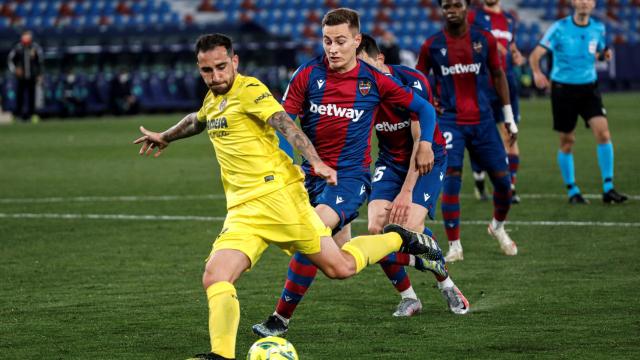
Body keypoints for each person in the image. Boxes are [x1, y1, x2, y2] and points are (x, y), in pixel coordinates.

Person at [133, 33, 441, 360]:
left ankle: (399, 238)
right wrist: (165, 136)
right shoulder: (213, 99)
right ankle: (220, 355)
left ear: (235, 62)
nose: (216, 77)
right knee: (215, 275)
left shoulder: (250, 91)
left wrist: (316, 161)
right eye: (207, 71)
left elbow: (286, 124)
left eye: (222, 67)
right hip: (243, 210)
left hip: (281, 201)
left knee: (341, 268)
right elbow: (197, 120)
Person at [252, 8, 442, 337]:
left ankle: (279, 320)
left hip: (350, 180)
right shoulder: (307, 74)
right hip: (309, 179)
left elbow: (423, 108)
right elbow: (284, 125)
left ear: (357, 41)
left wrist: (424, 143)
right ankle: (411, 246)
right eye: (327, 41)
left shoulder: (374, 80)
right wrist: (289, 161)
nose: (333, 48)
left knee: (309, 233)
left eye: (340, 41)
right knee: (339, 266)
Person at [357, 33, 469, 316]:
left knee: (408, 228)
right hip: (390, 161)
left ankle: (446, 285)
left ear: (380, 59)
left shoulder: (411, 82)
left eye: (364, 65)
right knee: (375, 231)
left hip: (427, 157)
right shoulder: (360, 90)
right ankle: (409, 297)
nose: (359, 73)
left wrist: (406, 192)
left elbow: (420, 145)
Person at [417, 0, 519, 262]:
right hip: (450, 122)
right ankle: (455, 246)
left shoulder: (483, 39)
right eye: (447, 5)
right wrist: (428, 102)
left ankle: (497, 226)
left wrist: (508, 117)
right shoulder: (432, 45)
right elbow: (418, 80)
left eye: (457, 5)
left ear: (466, 7)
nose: (451, 9)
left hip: (484, 121)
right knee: (451, 180)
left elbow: (498, 75)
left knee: (504, 186)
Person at [529, 0, 627, 204]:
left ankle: (608, 188)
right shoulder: (559, 27)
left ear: (593, 4)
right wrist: (537, 73)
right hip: (563, 90)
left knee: (604, 133)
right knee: (567, 141)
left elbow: (599, 51)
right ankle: (573, 191)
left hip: (589, 89)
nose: (584, 2)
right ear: (573, 2)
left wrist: (604, 54)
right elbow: (535, 55)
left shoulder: (598, 28)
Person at [468, 0, 526, 203]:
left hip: (505, 84)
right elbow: (464, 42)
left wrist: (516, 55)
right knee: (478, 136)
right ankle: (479, 179)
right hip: (480, 84)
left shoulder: (509, 19)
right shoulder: (473, 16)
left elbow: (512, 46)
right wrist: (488, 47)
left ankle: (510, 186)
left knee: (510, 134)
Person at [7, 30, 44, 123]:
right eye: (25, 35)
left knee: (32, 96)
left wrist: (39, 74)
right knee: (20, 96)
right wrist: (15, 70)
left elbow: (40, 62)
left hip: (32, 76)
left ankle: (32, 115)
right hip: (21, 78)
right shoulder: (17, 48)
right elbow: (10, 60)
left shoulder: (35, 48)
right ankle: (19, 115)